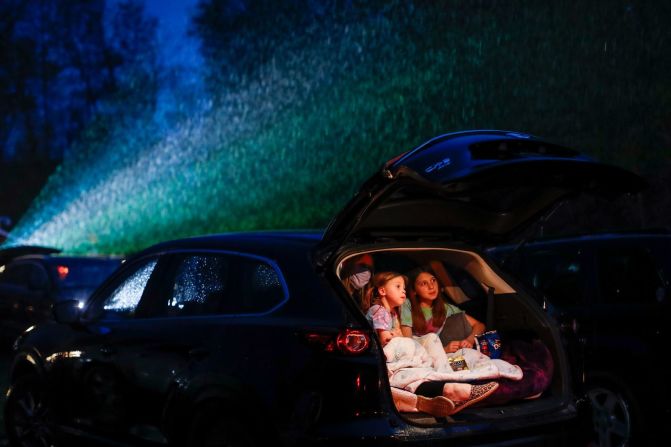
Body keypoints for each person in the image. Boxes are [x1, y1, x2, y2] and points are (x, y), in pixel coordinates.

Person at [401, 266, 485, 353]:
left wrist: (469, 340)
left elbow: (479, 325)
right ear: (414, 291)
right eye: (424, 284)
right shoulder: (407, 304)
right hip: (416, 353)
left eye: (433, 280)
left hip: (436, 351)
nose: (431, 286)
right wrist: (444, 350)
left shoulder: (446, 308)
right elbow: (409, 343)